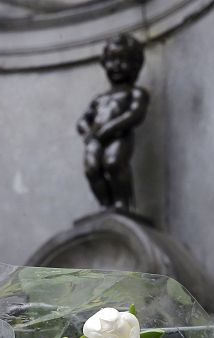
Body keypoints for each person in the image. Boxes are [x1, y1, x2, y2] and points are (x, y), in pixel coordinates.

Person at [77, 34, 150, 211]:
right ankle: (105, 204)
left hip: (119, 136)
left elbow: (135, 114)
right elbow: (82, 120)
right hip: (95, 138)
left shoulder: (137, 92)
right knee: (91, 169)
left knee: (114, 163)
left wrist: (110, 128)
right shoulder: (100, 99)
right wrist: (87, 131)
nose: (116, 66)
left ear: (136, 65)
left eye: (123, 60)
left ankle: (122, 203)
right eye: (112, 60)